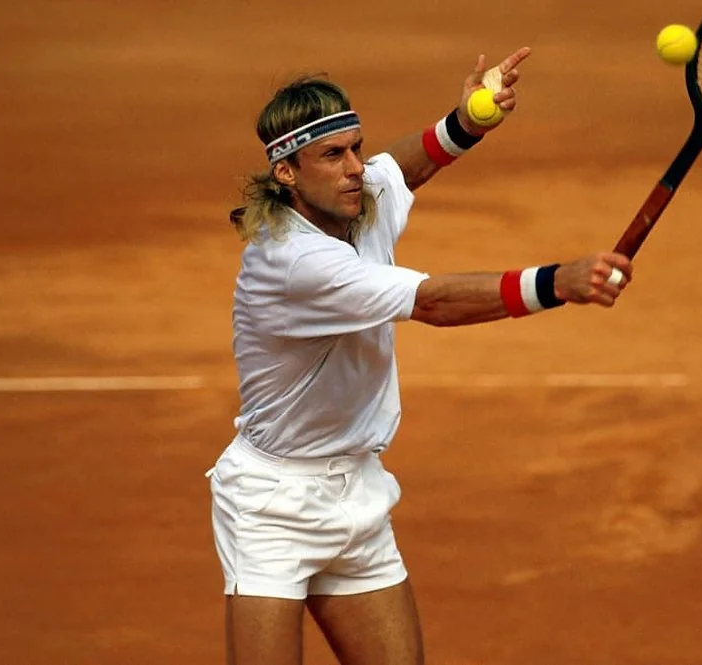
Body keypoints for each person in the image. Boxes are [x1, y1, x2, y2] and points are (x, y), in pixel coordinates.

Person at [208, 46, 633, 665]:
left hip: (358, 490)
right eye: (333, 155)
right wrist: (557, 283)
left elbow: (403, 168)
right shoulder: (295, 261)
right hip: (273, 504)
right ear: (288, 174)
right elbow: (432, 302)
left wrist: (466, 122)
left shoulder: (354, 196)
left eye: (355, 146)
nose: (354, 167)